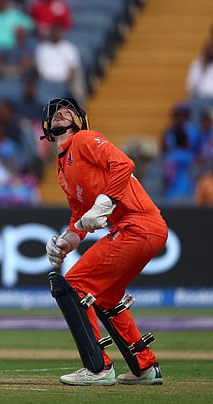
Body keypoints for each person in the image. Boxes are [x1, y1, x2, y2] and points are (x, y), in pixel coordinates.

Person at [42, 97, 167, 386]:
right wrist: (68, 239)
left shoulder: (85, 139)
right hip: (140, 228)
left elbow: (124, 164)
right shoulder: (62, 169)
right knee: (107, 297)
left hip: (138, 224)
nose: (61, 113)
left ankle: (97, 368)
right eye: (56, 113)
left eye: (68, 111)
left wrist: (105, 202)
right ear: (47, 127)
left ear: (79, 121)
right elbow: (79, 213)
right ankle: (144, 366)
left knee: (73, 285)